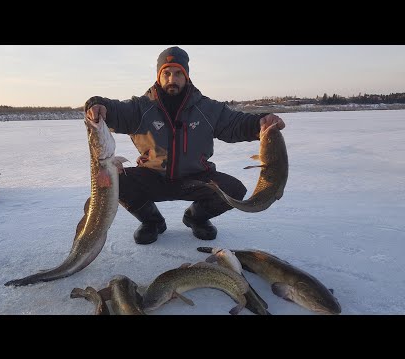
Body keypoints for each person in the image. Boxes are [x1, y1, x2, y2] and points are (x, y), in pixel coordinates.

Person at [85, 46, 285, 245]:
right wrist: (97, 104)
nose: (172, 79)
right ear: (158, 76)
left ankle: (195, 217)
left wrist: (260, 123)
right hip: (153, 176)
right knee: (114, 182)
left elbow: (235, 123)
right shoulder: (141, 108)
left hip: (196, 178)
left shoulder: (207, 108)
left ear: (187, 76)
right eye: (167, 73)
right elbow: (115, 111)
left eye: (178, 73)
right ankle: (152, 221)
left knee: (233, 190)